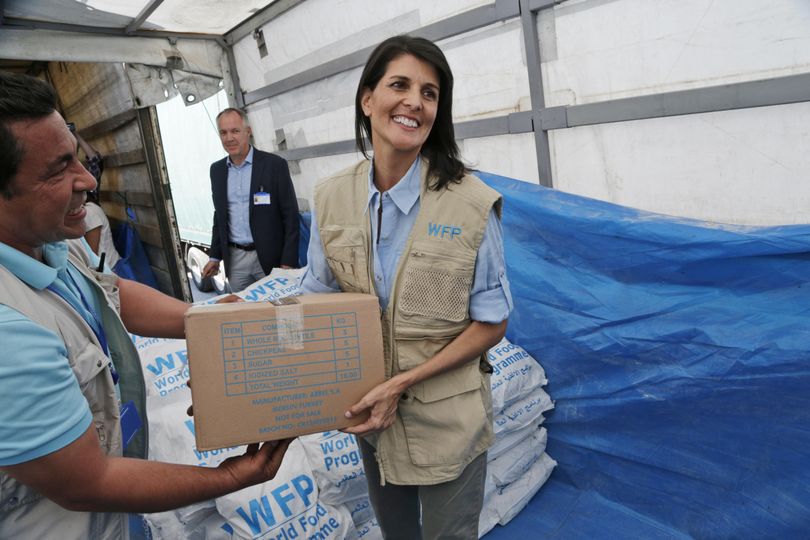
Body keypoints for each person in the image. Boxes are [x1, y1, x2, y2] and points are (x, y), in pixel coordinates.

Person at [0, 71, 291, 539]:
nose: (84, 181)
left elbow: (110, 292)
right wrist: (230, 478)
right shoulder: (8, 333)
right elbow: (87, 483)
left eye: (77, 158)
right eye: (57, 170)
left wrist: (208, 318)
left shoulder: (52, 241)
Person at [299, 35, 512, 539]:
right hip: (373, 422)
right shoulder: (331, 198)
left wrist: (401, 384)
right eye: (400, 85)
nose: (416, 101)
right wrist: (247, 342)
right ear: (367, 99)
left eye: (430, 92)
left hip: (447, 426)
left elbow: (492, 322)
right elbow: (316, 300)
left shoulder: (471, 204)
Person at [202, 108, 299, 292]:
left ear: (248, 131)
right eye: (223, 132)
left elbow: (291, 216)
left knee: (278, 312)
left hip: (271, 260)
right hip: (235, 261)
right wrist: (215, 257)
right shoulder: (217, 171)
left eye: (235, 131)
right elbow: (220, 217)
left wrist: (288, 262)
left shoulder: (274, 165)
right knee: (245, 315)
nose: (229, 138)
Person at [69, 128, 122, 270]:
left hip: (108, 270)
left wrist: (75, 134)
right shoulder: (86, 207)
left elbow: (91, 256)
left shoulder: (89, 212)